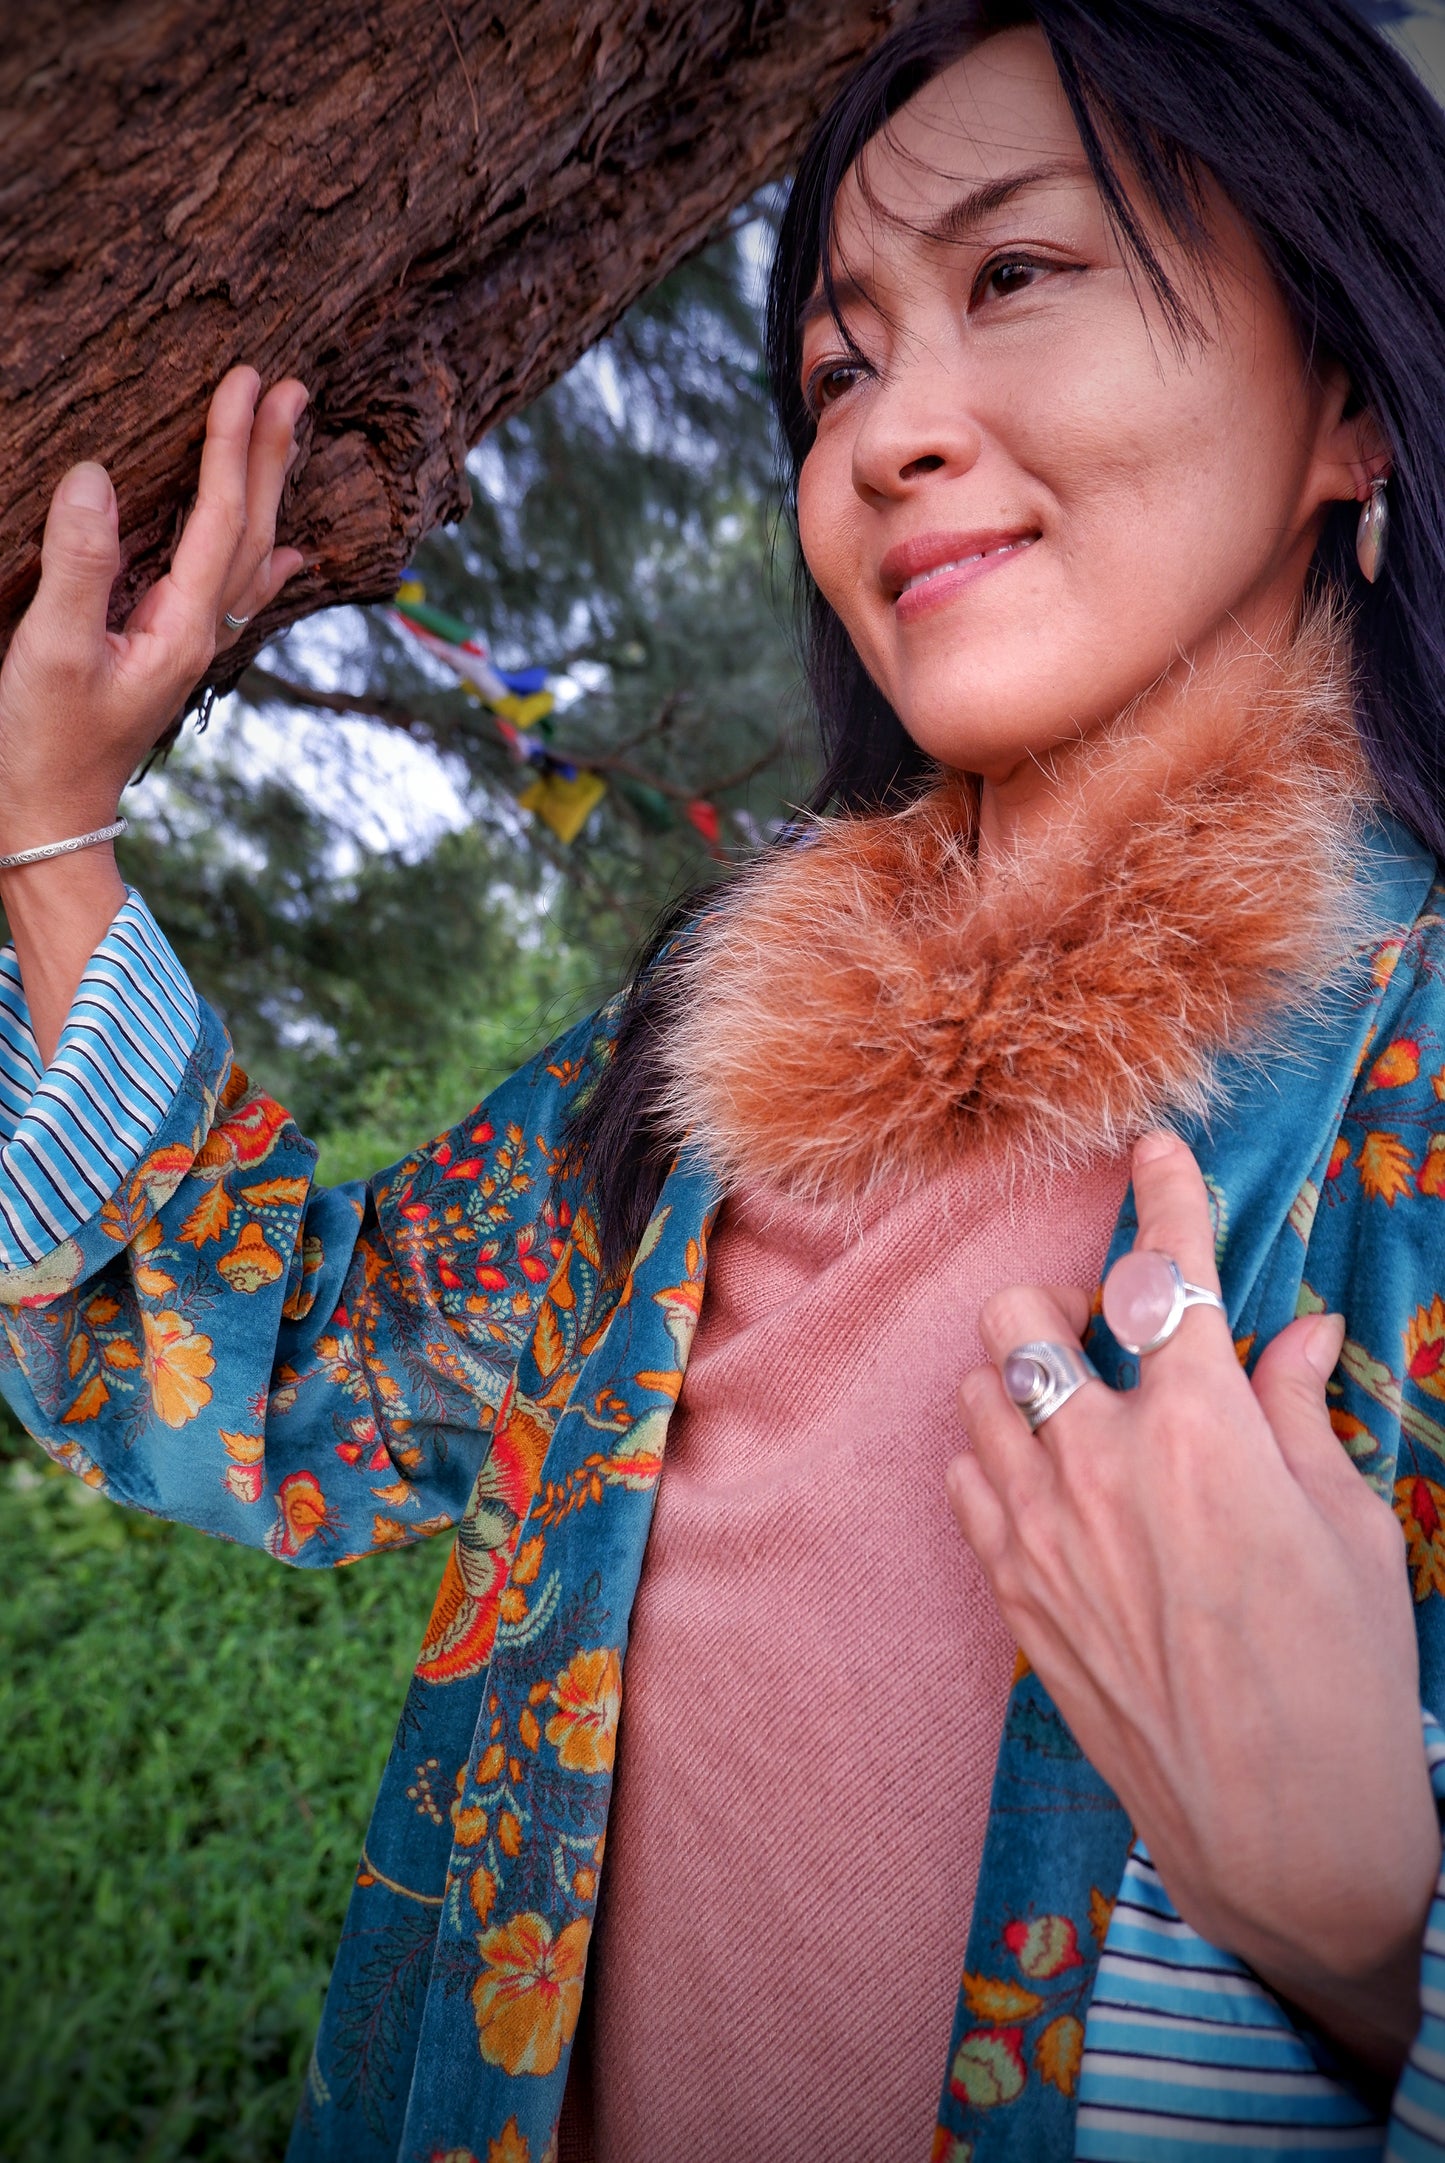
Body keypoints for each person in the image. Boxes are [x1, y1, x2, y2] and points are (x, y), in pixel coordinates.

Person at [4, 1, 1445, 2156]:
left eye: (1015, 276)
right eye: (835, 368)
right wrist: (51, 829)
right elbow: (282, 1377)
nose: (885, 433)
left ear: (1346, 392)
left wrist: (1357, 1925)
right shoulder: (701, 1075)